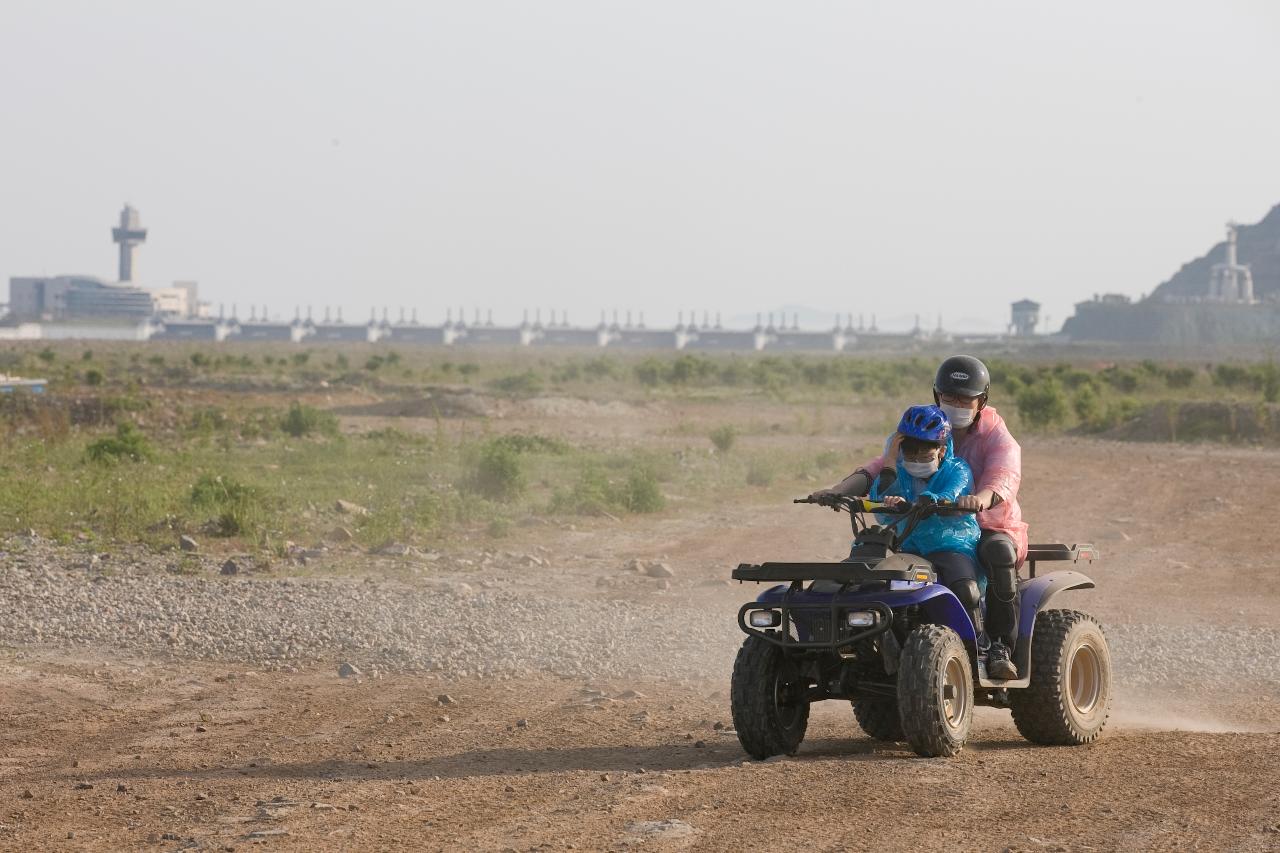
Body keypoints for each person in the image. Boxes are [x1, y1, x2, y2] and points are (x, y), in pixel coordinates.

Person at [812, 355, 1028, 680]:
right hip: (921, 525)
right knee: (873, 565)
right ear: (937, 394)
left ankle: (997, 646)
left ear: (981, 401)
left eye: (964, 398)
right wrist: (838, 490)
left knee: (998, 552)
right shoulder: (926, 428)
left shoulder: (997, 437)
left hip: (986, 523)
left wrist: (977, 500)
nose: (956, 404)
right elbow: (880, 468)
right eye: (949, 397)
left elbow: (1004, 477)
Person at [862, 405, 985, 634]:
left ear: (941, 449)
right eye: (909, 453)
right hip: (910, 548)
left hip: (953, 546)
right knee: (879, 587)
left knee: (965, 588)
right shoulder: (900, 473)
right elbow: (879, 506)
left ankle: (978, 645)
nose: (916, 460)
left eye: (925, 454)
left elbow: (951, 493)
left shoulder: (957, 469)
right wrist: (889, 463)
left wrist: (927, 501)